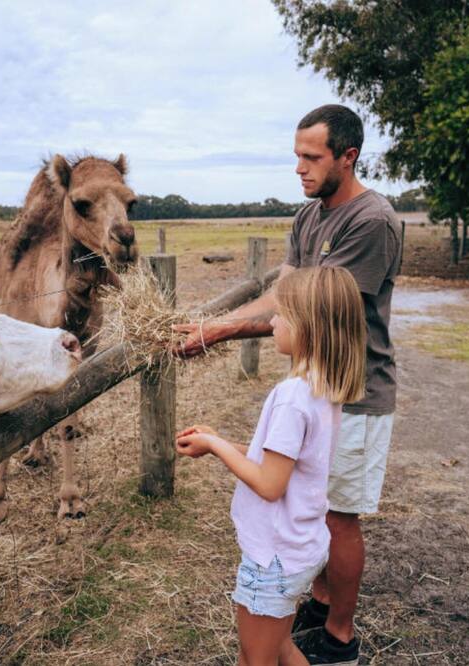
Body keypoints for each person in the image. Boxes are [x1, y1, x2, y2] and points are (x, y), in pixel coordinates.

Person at [174, 104, 401, 664]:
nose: (299, 168)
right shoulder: (308, 217)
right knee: (312, 507)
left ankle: (339, 637)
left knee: (339, 515)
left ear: (348, 157)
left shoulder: (371, 222)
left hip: (357, 391)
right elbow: (286, 293)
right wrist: (218, 324)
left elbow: (316, 309)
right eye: (296, 156)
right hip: (322, 382)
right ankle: (314, 600)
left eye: (311, 157)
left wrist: (219, 332)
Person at [176, 266, 366, 666]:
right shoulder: (324, 387)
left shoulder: (292, 396)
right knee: (279, 646)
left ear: (309, 327)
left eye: (283, 314)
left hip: (274, 558)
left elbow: (269, 483)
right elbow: (284, 460)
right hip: (302, 546)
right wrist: (223, 442)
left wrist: (213, 445)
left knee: (253, 658)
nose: (273, 321)